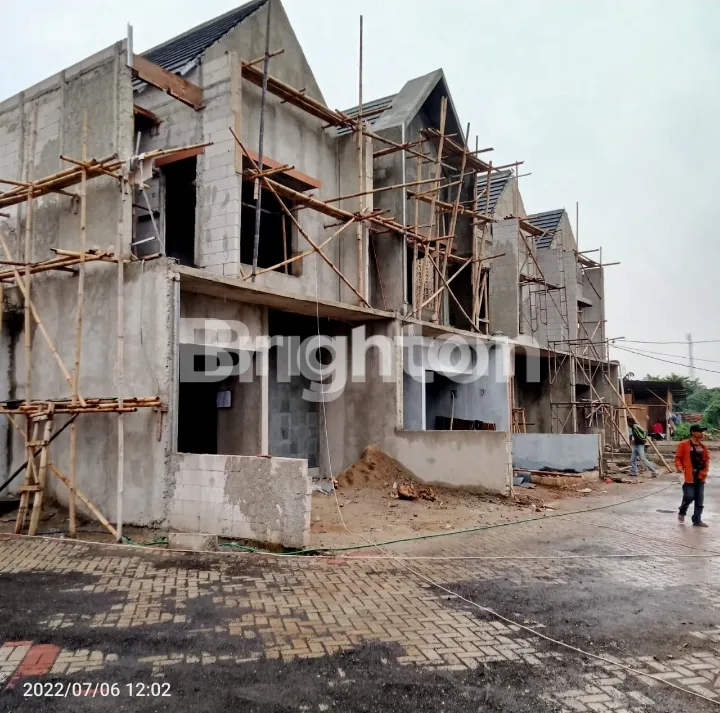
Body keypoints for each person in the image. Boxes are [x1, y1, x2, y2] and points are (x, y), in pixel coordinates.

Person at [675, 424, 710, 527]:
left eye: (702, 432)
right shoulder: (683, 444)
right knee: (689, 496)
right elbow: (678, 458)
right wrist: (679, 466)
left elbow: (706, 460)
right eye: (699, 431)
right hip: (688, 475)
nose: (702, 433)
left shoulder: (703, 446)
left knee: (699, 499)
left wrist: (704, 472)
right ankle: (682, 511)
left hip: (700, 476)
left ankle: (697, 520)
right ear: (692, 432)